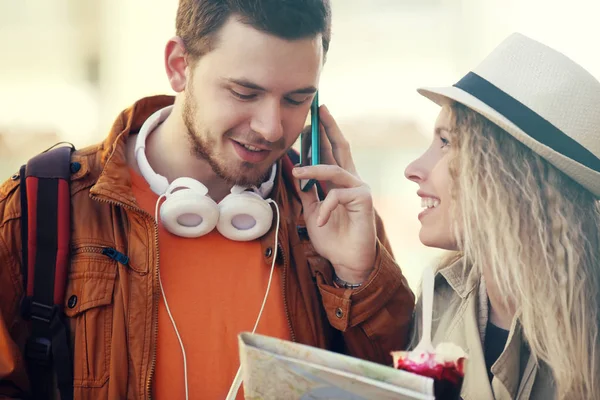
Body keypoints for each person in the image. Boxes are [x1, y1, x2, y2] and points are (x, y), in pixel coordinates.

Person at [0, 1, 415, 399]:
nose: (271, 128)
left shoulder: (335, 216)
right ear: (179, 67)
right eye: (244, 92)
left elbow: (403, 384)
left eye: (296, 99)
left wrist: (359, 277)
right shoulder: (36, 208)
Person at [400, 33, 600, 399]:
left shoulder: (591, 334)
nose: (413, 169)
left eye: (446, 142)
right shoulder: (436, 299)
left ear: (508, 176)